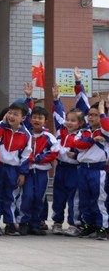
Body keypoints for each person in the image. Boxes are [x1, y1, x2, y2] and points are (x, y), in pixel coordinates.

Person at [0, 102, 32, 236]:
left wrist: (22, 173)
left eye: (15, 114)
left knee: (10, 196)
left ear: (23, 118)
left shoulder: (26, 134)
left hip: (13, 169)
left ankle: (10, 223)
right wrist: (3, 125)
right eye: (10, 112)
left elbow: (26, 156)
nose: (11, 116)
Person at [69, 99, 109, 240]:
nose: (91, 117)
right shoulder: (83, 132)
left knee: (99, 199)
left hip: (98, 170)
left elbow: (107, 127)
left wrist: (103, 112)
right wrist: (92, 140)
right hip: (82, 169)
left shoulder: (104, 132)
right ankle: (88, 225)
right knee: (84, 199)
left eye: (95, 115)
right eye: (90, 115)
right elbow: (77, 144)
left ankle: (102, 226)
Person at [18, 105, 58, 236]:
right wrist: (30, 160)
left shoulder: (48, 136)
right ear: (30, 119)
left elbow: (55, 152)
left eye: (40, 118)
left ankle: (35, 224)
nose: (36, 120)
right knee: (27, 196)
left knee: (39, 198)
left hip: (41, 172)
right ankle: (23, 223)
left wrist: (39, 159)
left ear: (45, 121)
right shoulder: (25, 134)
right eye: (34, 117)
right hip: (28, 172)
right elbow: (21, 151)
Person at [51, 83, 85, 236]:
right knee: (58, 196)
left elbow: (87, 150)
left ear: (80, 123)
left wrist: (76, 155)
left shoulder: (83, 134)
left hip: (74, 170)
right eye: (68, 120)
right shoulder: (61, 130)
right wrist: (56, 99)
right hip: (60, 168)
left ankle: (74, 224)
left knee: (73, 197)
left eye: (73, 121)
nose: (69, 123)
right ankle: (57, 222)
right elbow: (58, 113)